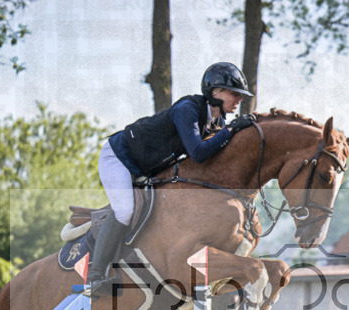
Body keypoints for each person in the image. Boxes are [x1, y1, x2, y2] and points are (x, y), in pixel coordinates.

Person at [87, 62, 256, 296]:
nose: (238, 99)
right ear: (216, 92)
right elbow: (198, 153)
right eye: (234, 94)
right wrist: (230, 132)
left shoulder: (217, 122)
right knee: (125, 210)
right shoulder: (187, 109)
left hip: (148, 168)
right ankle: (95, 277)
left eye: (240, 95)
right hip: (119, 157)